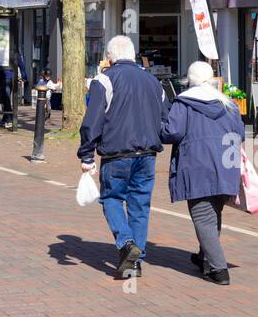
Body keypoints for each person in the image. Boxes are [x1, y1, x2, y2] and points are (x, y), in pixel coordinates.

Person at [77, 35, 167, 280]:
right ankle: (135, 261)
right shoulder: (153, 82)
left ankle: (127, 244)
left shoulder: (104, 80)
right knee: (140, 205)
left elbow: (92, 121)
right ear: (133, 54)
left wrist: (86, 154)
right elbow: (164, 118)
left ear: (109, 57)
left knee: (111, 199)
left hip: (117, 153)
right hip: (147, 154)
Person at [162, 61, 245, 286]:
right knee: (213, 213)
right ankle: (204, 258)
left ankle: (219, 269)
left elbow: (173, 132)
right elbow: (241, 134)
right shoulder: (229, 104)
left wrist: (158, 126)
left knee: (203, 216)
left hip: (197, 165)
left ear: (190, 79)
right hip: (227, 165)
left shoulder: (184, 102)